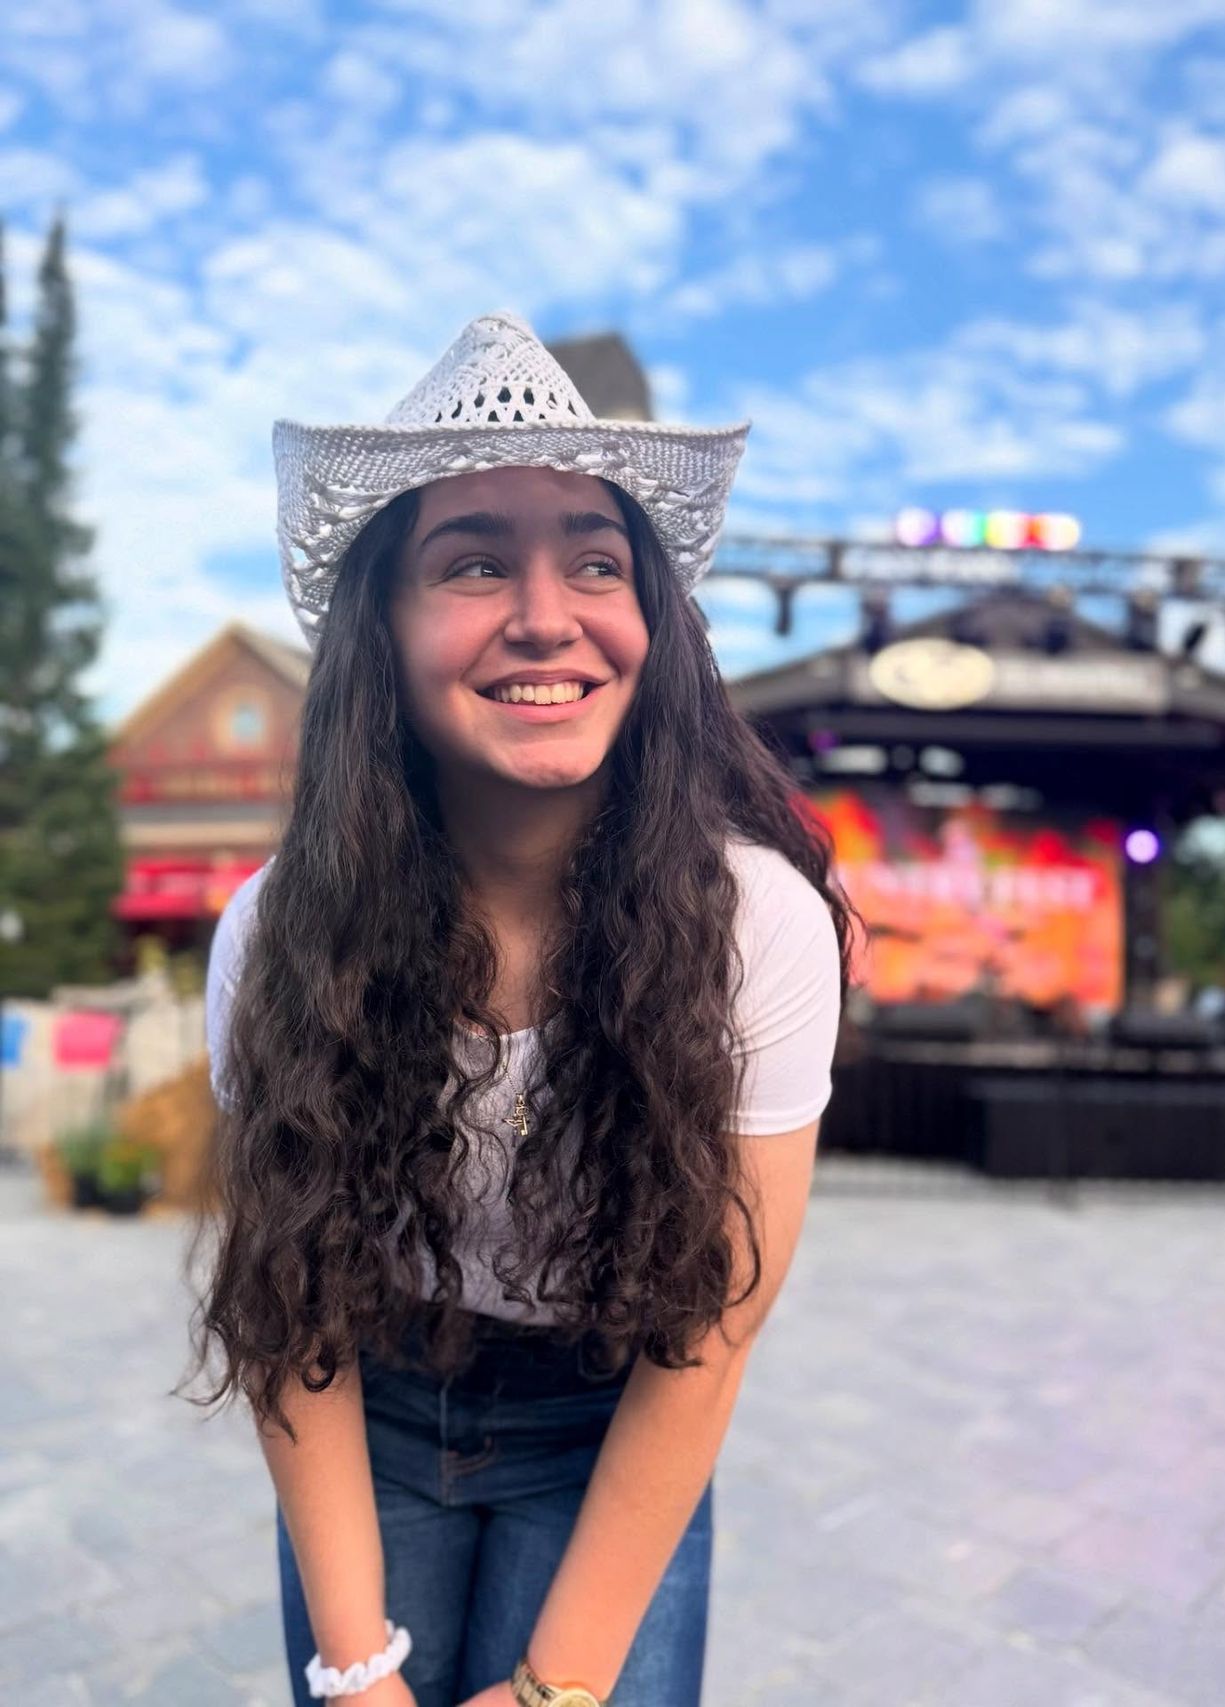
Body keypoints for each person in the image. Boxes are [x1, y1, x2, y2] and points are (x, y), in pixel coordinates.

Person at [182, 310, 855, 1707]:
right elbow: (294, 1307)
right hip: (367, 1406)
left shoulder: (762, 924)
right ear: (382, 626)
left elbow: (712, 1330)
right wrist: (354, 1667)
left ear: (654, 621)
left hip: (611, 1416)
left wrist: (557, 1689)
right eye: (475, 560)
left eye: (596, 561)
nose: (548, 615)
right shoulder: (276, 930)